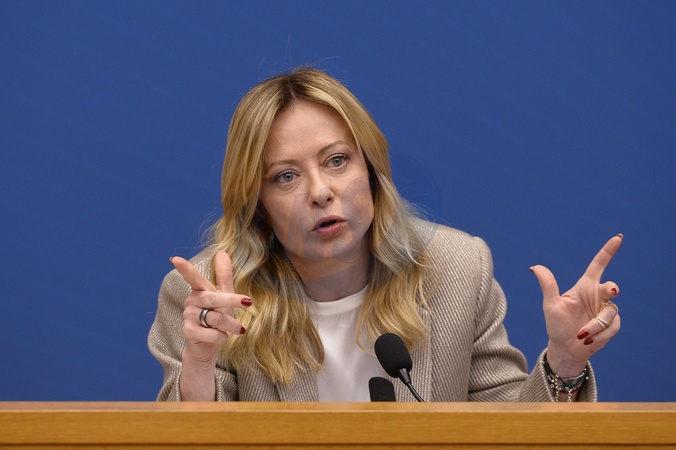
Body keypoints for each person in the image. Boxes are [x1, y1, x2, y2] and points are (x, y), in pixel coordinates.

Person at [148, 66, 622, 402]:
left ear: (372, 171)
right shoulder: (208, 297)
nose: (321, 192)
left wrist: (564, 361)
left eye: (337, 161)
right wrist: (200, 363)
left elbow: (507, 431)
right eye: (285, 176)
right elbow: (190, 442)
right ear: (257, 204)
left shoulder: (457, 269)